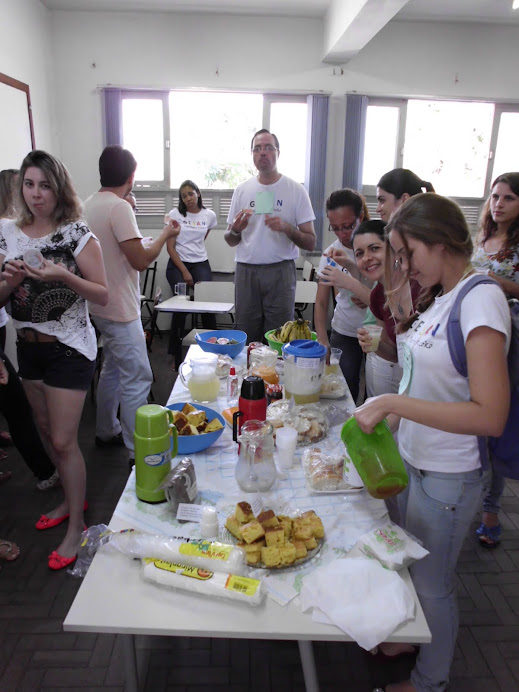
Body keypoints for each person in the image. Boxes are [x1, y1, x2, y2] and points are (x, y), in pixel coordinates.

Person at [354, 193, 511, 692]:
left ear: (439, 242)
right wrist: (387, 428)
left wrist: (393, 407)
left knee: (434, 583)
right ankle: (411, 639)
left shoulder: (481, 298)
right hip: (415, 462)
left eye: (406, 254)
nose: (403, 266)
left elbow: (490, 415)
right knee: (413, 562)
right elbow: (421, 384)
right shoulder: (444, 297)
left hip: (451, 473)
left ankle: (429, 681)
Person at [0, 149, 109, 570]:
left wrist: (63, 275)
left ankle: (77, 525)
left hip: (70, 349)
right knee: (48, 433)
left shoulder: (75, 233)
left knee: (64, 441)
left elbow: (102, 293)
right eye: (29, 184)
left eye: (45, 185)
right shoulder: (8, 232)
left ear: (58, 188)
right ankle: (68, 500)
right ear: (20, 187)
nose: (36, 194)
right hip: (28, 347)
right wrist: (9, 284)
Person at [83, 145, 180, 458]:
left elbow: (118, 251)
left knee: (112, 368)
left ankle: (105, 430)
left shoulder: (88, 204)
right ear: (131, 176)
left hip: (97, 305)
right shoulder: (119, 207)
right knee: (137, 377)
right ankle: (138, 454)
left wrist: (148, 242)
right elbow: (139, 260)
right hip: (120, 309)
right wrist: (166, 234)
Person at [225, 129, 316, 343]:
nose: (262, 153)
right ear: (252, 155)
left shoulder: (295, 190)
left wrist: (287, 228)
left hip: (280, 272)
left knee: (279, 337)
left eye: (268, 147)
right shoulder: (242, 190)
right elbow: (230, 240)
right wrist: (237, 229)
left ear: (278, 153)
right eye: (257, 148)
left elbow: (311, 242)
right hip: (247, 271)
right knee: (246, 334)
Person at [472, 172, 519, 548]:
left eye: (509, 198)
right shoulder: (483, 237)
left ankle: (490, 509)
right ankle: (471, 494)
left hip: (510, 338)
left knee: (496, 424)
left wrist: (493, 281)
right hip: (474, 332)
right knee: (472, 417)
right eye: (495, 196)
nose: (499, 204)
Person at [314, 189, 370, 403]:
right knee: (344, 390)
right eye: (335, 228)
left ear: (360, 218)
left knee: (374, 393)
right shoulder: (330, 255)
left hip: (377, 332)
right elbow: (321, 302)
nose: (342, 234)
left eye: (348, 226)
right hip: (345, 330)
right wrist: (322, 339)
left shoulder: (375, 246)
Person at [166, 180, 217, 369]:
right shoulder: (175, 214)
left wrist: (193, 265)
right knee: (181, 305)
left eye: (190, 194)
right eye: (184, 195)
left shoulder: (209, 215)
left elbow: (201, 238)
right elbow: (170, 248)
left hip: (200, 262)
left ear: (198, 193)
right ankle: (175, 353)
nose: (188, 198)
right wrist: (185, 271)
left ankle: (214, 349)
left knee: (208, 305)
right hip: (178, 263)